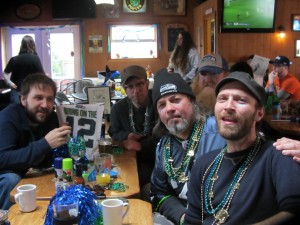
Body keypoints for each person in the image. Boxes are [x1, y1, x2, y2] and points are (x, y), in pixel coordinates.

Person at [184, 72, 300, 225]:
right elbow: (192, 221)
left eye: (241, 100)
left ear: (259, 113)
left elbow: (294, 211)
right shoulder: (203, 164)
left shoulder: (278, 155)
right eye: (223, 99)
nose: (228, 106)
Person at [150, 68, 226, 225]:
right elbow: (159, 192)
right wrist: (183, 216)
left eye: (176, 100)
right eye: (162, 105)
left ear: (192, 102)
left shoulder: (219, 130)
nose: (169, 108)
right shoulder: (163, 148)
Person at [0, 73, 72, 210]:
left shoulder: (51, 118)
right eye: (38, 98)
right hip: (5, 176)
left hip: (25, 174)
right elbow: (2, 159)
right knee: (11, 180)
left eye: (50, 99)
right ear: (23, 99)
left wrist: (66, 143)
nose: (45, 105)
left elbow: (46, 161)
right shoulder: (7, 118)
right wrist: (45, 144)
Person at [108, 65, 157, 197]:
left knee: (127, 186)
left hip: (154, 160)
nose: (136, 91)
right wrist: (127, 135)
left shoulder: (158, 103)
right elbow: (113, 132)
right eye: (130, 87)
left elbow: (164, 138)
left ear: (147, 83)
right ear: (125, 89)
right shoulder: (118, 109)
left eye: (140, 84)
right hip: (128, 159)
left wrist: (141, 145)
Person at [3, 35, 45, 104]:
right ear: (33, 45)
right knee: (29, 113)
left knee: (16, 113)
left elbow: (5, 73)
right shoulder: (35, 58)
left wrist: (10, 83)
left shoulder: (14, 59)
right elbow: (42, 76)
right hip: (31, 92)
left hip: (16, 91)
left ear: (21, 45)